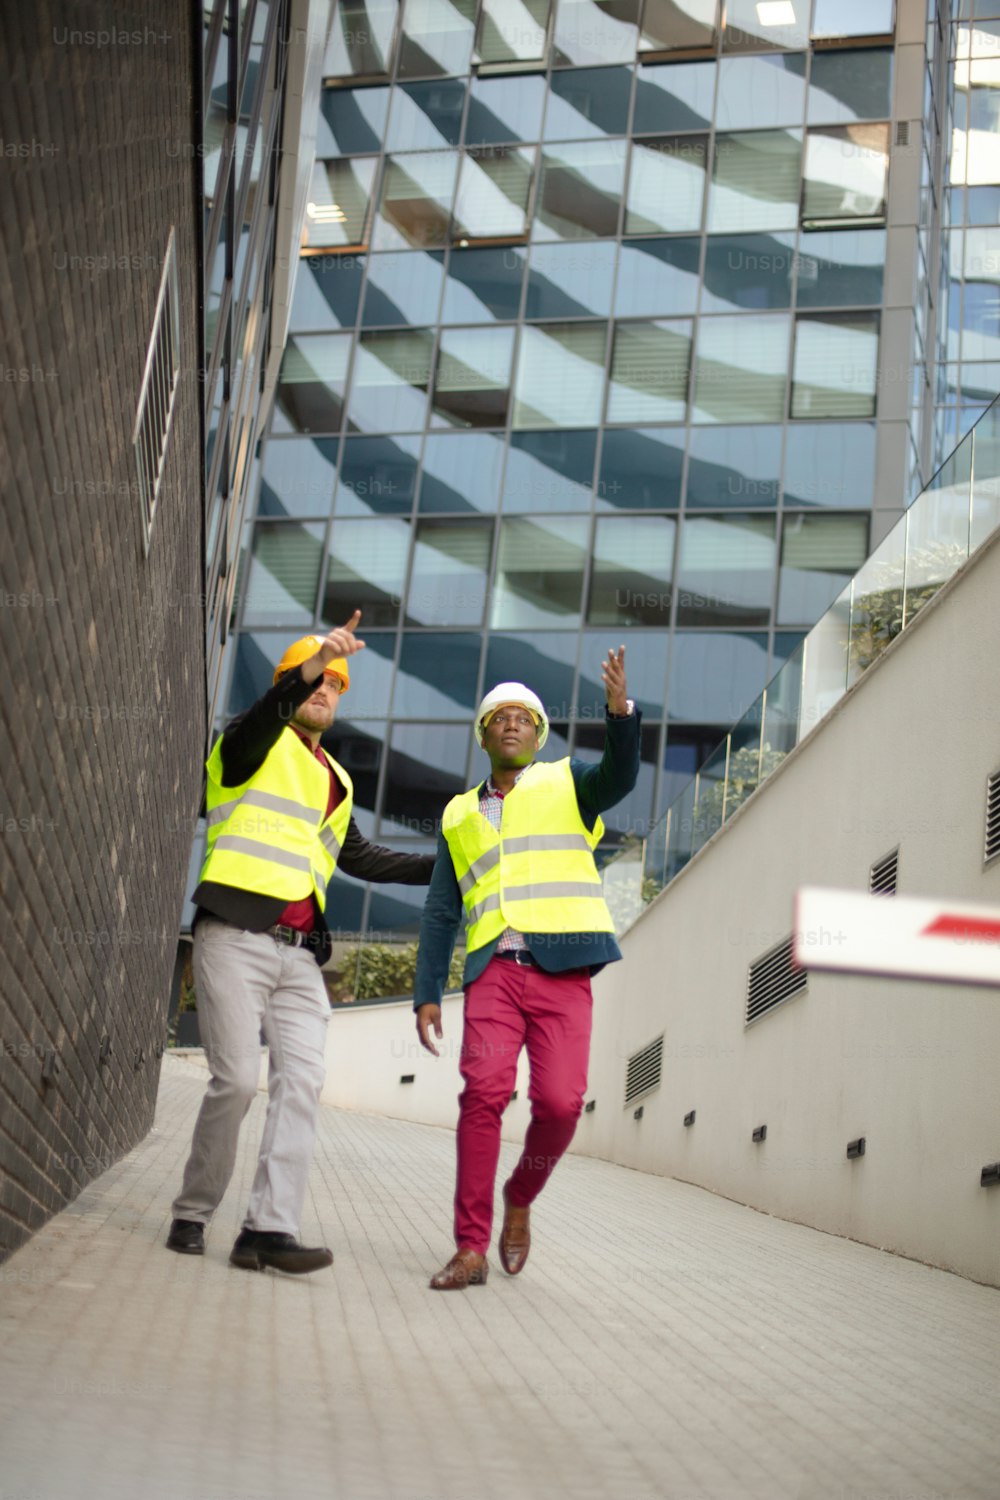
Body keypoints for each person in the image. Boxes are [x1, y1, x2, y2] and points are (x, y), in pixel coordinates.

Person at [167, 612, 435, 1274]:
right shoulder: (248, 744)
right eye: (317, 680)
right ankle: (193, 1211)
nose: (326, 692)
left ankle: (266, 1230)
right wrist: (308, 665)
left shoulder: (336, 780)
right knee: (234, 1080)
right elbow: (266, 713)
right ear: (293, 681)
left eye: (337, 685)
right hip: (233, 933)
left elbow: (363, 858)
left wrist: (452, 863)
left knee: (303, 1083)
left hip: (298, 955)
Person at [414, 647, 639, 1289]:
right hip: (493, 975)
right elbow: (439, 910)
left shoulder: (570, 785)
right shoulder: (459, 814)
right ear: (483, 734)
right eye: (499, 717)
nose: (511, 724)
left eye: (524, 718)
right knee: (482, 1097)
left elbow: (621, 777)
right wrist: (427, 989)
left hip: (562, 972)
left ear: (538, 735)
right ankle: (470, 1248)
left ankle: (521, 1194)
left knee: (562, 1105)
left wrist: (619, 711)